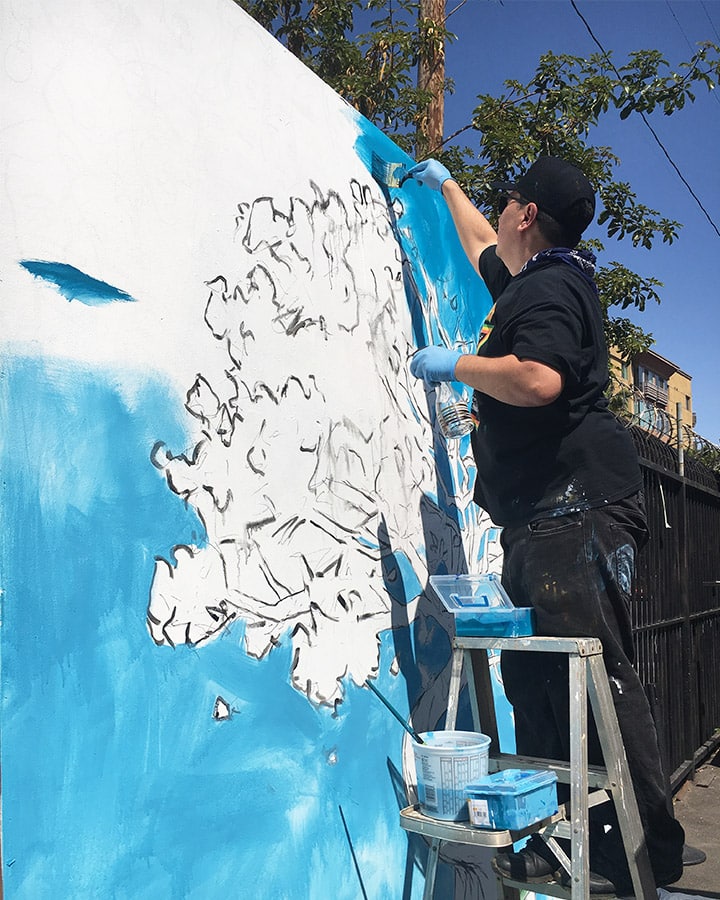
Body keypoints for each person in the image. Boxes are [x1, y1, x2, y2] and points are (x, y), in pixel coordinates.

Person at [405, 155, 686, 895]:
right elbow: (478, 248)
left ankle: (644, 849)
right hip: (545, 514)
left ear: (526, 214)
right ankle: (557, 842)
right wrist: (448, 186)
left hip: (576, 509)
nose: (497, 212)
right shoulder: (531, 280)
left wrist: (456, 365)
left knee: (588, 681)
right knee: (537, 676)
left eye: (505, 200)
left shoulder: (554, 289)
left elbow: (540, 379)